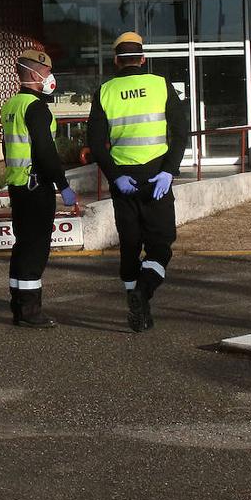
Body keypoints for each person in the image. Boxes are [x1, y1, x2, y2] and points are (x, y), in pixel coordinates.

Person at [86, 32, 188, 332]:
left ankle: (137, 307)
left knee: (130, 247)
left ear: (116, 61)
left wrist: (115, 177)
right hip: (157, 179)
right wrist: (169, 171)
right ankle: (143, 293)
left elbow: (94, 141)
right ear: (143, 59)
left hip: (124, 182)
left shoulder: (104, 91)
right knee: (161, 246)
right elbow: (181, 133)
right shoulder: (160, 84)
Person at [1, 48, 78, 327]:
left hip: (19, 185)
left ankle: (19, 305)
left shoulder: (11, 105)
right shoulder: (36, 108)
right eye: (46, 72)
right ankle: (31, 312)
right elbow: (46, 152)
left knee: (22, 245)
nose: (50, 77)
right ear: (34, 74)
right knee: (35, 250)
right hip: (36, 187)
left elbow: (7, 147)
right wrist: (64, 186)